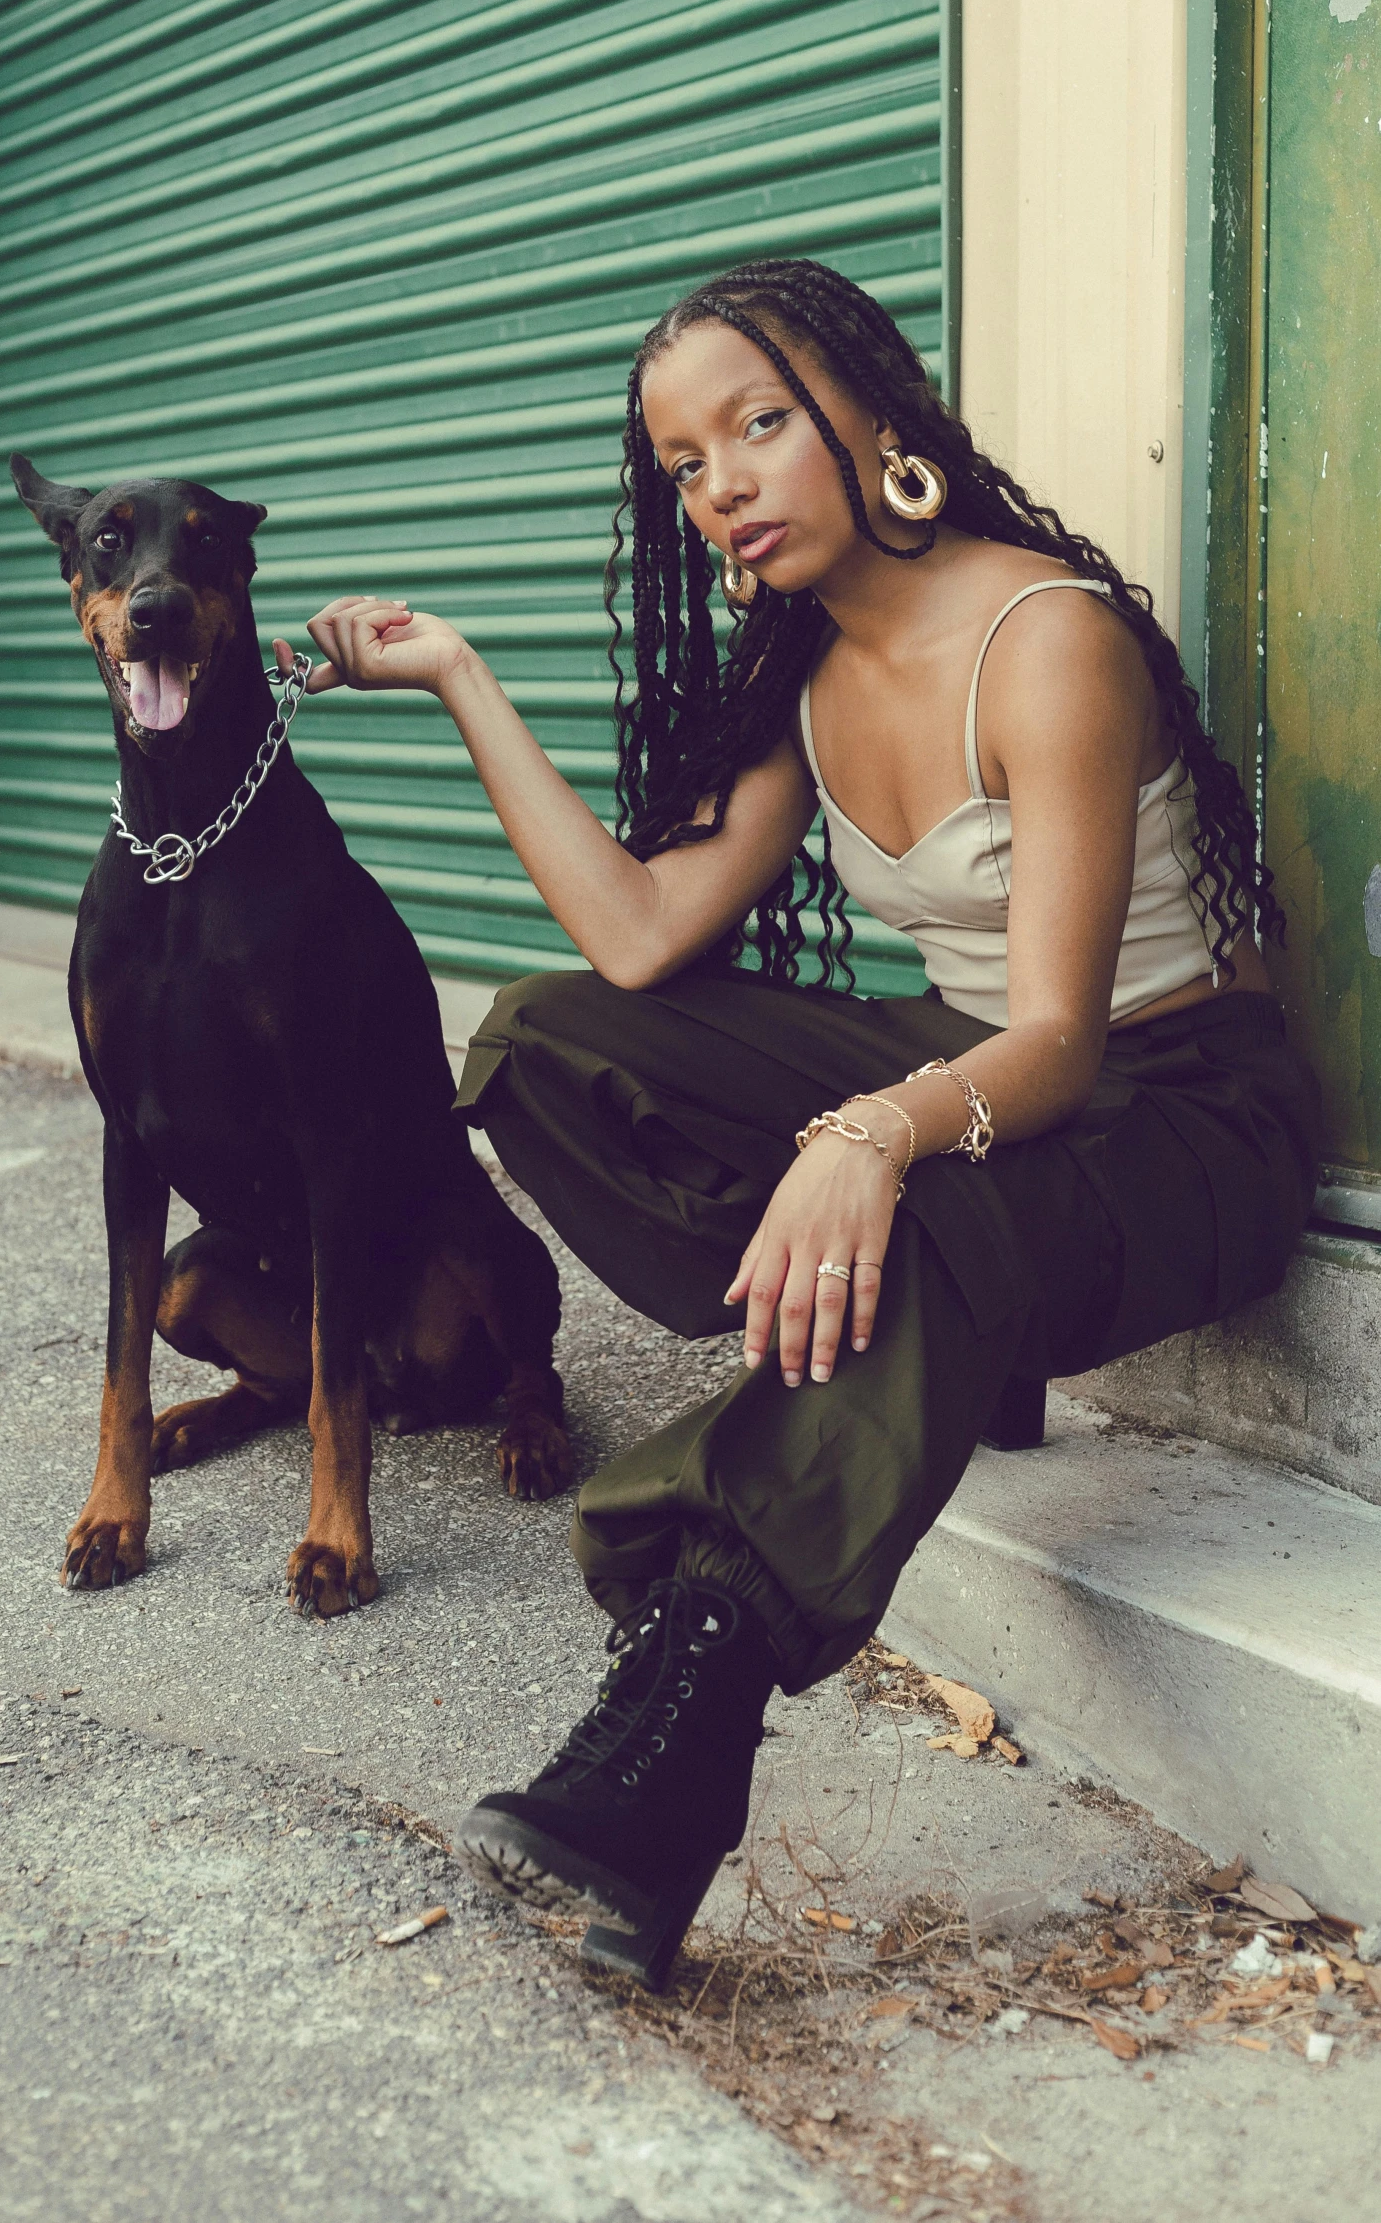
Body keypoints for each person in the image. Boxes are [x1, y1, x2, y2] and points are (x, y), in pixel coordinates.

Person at [274, 257, 1318, 1989]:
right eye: (685, 465)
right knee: (547, 1039)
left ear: (874, 413)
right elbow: (633, 939)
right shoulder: (799, 684)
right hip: (965, 1062)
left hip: (1176, 1098)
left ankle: (671, 1745)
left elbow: (1055, 1041)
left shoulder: (1045, 637)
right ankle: (842, 1315)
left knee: (924, 1199)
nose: (723, 485)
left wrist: (865, 1136)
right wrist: (460, 678)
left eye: (757, 425)